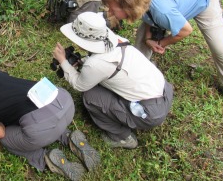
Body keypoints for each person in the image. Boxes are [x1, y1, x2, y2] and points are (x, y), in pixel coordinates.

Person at [102, 0, 223, 118]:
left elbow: (186, 30)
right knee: (141, 42)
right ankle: (134, 79)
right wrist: (148, 39)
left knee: (220, 48)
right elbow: (147, 16)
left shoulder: (162, 11)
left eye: (113, 10)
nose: (110, 12)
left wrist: (160, 43)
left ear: (127, 8)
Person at [0, 67, 100, 181]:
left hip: (41, 126)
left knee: (7, 139)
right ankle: (70, 136)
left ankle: (45, 157)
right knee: (40, 115)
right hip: (63, 99)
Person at [52, 12, 173, 148]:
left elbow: (79, 85)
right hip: (165, 91)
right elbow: (105, 66)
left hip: (149, 113)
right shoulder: (118, 41)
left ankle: (122, 137)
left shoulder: (95, 65)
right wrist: (81, 62)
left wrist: (63, 61)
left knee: (91, 96)